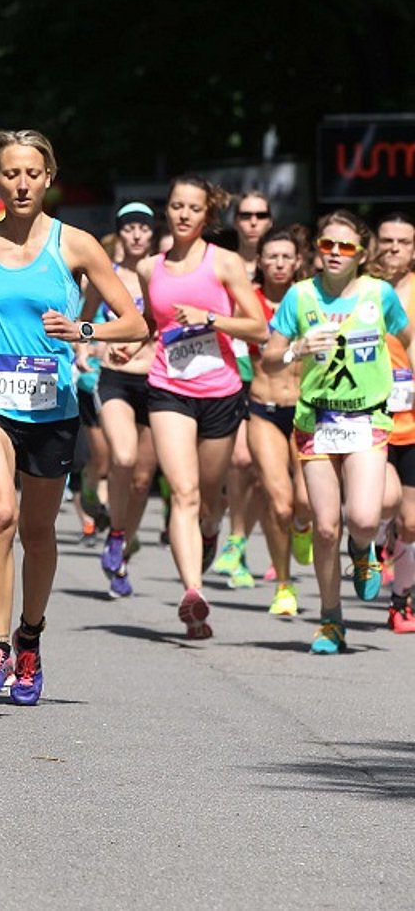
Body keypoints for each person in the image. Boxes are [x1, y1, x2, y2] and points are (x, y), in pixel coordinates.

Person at [0, 129, 146, 706]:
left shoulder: (76, 245)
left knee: (37, 530)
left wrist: (81, 330)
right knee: (0, 510)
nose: (22, 183)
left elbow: (134, 323)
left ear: (48, 178)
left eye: (33, 173)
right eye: (11, 174)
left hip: (51, 402)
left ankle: (30, 637)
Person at [263, 211, 410, 653]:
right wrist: (296, 349)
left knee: (363, 518)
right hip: (317, 421)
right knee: (326, 529)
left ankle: (364, 549)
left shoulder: (379, 294)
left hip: (367, 418)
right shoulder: (300, 296)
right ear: (317, 249)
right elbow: (270, 358)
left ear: (361, 254)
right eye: (327, 245)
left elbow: (409, 336)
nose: (334, 254)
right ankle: (330, 618)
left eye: (345, 247)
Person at [143, 175, 267, 639]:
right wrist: (118, 344)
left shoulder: (226, 263)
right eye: (176, 206)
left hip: (219, 390)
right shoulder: (149, 268)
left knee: (210, 496)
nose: (183, 215)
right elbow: (145, 326)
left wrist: (210, 318)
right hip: (167, 387)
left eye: (193, 208)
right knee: (185, 492)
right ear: (168, 210)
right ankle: (193, 593)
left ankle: (211, 530)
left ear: (206, 215)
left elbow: (258, 329)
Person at [82, 202, 160, 597]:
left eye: (142, 228)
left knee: (143, 479)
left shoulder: (163, 272)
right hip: (116, 379)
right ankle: (115, 533)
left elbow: (171, 325)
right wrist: (86, 347)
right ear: (120, 233)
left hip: (159, 381)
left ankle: (123, 548)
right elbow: (85, 320)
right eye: (128, 227)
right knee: (124, 458)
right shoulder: (105, 275)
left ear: (151, 233)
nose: (135, 234)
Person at [210, 191, 277, 587]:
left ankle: (251, 538)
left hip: (273, 374)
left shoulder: (282, 260)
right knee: (238, 461)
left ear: (270, 220)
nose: (253, 221)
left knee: (262, 471)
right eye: (246, 215)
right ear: (237, 220)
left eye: (260, 215)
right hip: (232, 368)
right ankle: (234, 536)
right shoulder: (224, 261)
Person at [245, 226, 311, 616]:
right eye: (273, 257)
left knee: (305, 502)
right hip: (263, 409)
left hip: (306, 409)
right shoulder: (249, 303)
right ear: (261, 261)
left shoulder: (310, 298)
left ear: (299, 261)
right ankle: (284, 586)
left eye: (287, 257)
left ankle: (304, 526)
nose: (280, 263)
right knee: (280, 503)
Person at [377, 212, 415, 633]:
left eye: (403, 242)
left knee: (412, 521)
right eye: (387, 241)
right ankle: (370, 540)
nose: (393, 249)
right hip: (372, 418)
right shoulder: (364, 293)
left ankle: (401, 600)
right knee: (383, 502)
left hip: (413, 422)